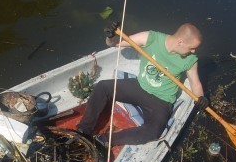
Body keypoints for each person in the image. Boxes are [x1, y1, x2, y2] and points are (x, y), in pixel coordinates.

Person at [76, 22, 209, 146]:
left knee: (153, 132)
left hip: (161, 100)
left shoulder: (190, 60)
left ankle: (103, 140)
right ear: (180, 42)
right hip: (140, 86)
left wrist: (201, 98)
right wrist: (110, 36)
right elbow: (114, 43)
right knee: (102, 87)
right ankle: (83, 130)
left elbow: (195, 83)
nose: (193, 51)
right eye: (192, 48)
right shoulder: (151, 38)